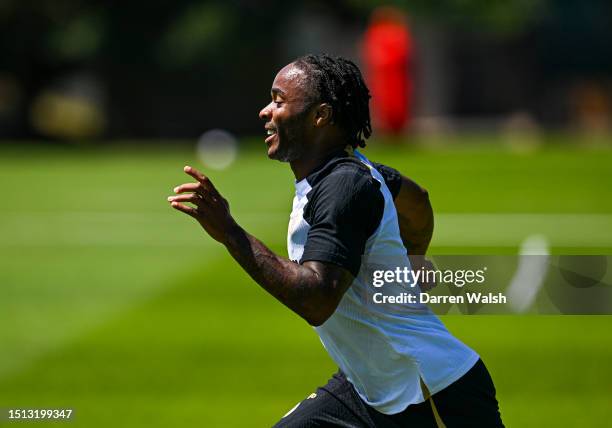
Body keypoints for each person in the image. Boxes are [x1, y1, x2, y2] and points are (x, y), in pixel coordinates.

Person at [168, 54, 503, 427]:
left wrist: (230, 233)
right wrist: (412, 261)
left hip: (428, 390)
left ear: (321, 116)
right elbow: (417, 202)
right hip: (370, 385)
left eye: (279, 101)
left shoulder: (343, 187)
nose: (266, 112)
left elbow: (317, 298)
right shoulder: (353, 170)